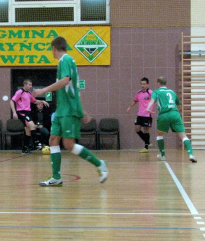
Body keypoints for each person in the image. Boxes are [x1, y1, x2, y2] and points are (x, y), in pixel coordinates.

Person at [32, 36, 108, 186]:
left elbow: (65, 81)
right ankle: (56, 177)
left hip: (68, 110)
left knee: (69, 145)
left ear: (54, 48)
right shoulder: (64, 62)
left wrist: (43, 90)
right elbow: (70, 89)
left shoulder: (66, 60)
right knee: (53, 140)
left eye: (51, 50)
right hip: (61, 110)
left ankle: (100, 164)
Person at [146, 76, 197, 162]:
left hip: (164, 115)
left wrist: (148, 108)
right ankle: (191, 154)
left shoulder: (156, 92)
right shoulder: (172, 92)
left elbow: (152, 100)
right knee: (183, 135)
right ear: (166, 83)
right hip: (175, 114)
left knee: (160, 135)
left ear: (158, 83)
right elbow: (179, 106)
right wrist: (176, 113)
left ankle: (162, 155)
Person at [10, 79, 49, 154]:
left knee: (28, 131)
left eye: (31, 85)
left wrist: (42, 101)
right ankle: (37, 143)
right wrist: (14, 112)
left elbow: (34, 101)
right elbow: (12, 101)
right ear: (25, 84)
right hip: (21, 112)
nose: (30, 86)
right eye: (29, 85)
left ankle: (24, 149)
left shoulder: (29, 93)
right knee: (33, 126)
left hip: (28, 113)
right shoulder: (19, 92)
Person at [126, 77, 153, 153]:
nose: (142, 85)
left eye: (144, 84)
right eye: (141, 84)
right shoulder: (139, 92)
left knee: (146, 130)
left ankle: (146, 147)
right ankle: (148, 142)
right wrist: (130, 107)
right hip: (140, 114)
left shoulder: (151, 92)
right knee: (137, 129)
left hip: (147, 114)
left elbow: (155, 100)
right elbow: (135, 101)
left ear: (148, 84)